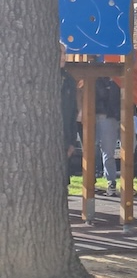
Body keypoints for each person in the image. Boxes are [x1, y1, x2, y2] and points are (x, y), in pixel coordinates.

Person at [95, 76, 121, 196]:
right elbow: (101, 96)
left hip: (119, 115)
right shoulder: (99, 78)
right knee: (107, 151)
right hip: (106, 115)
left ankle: (123, 183)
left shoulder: (120, 77)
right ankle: (111, 182)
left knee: (128, 149)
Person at [60, 42, 78, 185]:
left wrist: (72, 141)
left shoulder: (69, 80)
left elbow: (73, 112)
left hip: (65, 138)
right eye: (61, 53)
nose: (64, 57)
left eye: (65, 54)